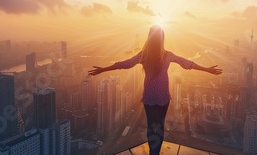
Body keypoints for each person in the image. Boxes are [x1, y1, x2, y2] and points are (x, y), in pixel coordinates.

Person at [88, 25, 222, 155]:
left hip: (149, 97)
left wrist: (103, 70)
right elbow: (187, 63)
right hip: (163, 97)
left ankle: (153, 151)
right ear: (162, 39)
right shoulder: (167, 55)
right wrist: (207, 70)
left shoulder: (144, 55)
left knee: (152, 126)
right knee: (160, 126)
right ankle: (155, 152)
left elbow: (125, 64)